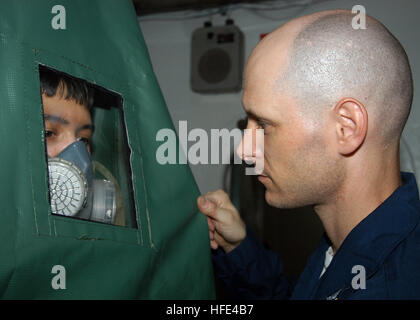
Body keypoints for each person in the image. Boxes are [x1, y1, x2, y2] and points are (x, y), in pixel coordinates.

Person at [197, 9, 420, 299]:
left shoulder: (391, 286)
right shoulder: (348, 250)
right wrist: (240, 250)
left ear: (346, 127)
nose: (244, 150)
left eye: (263, 125)